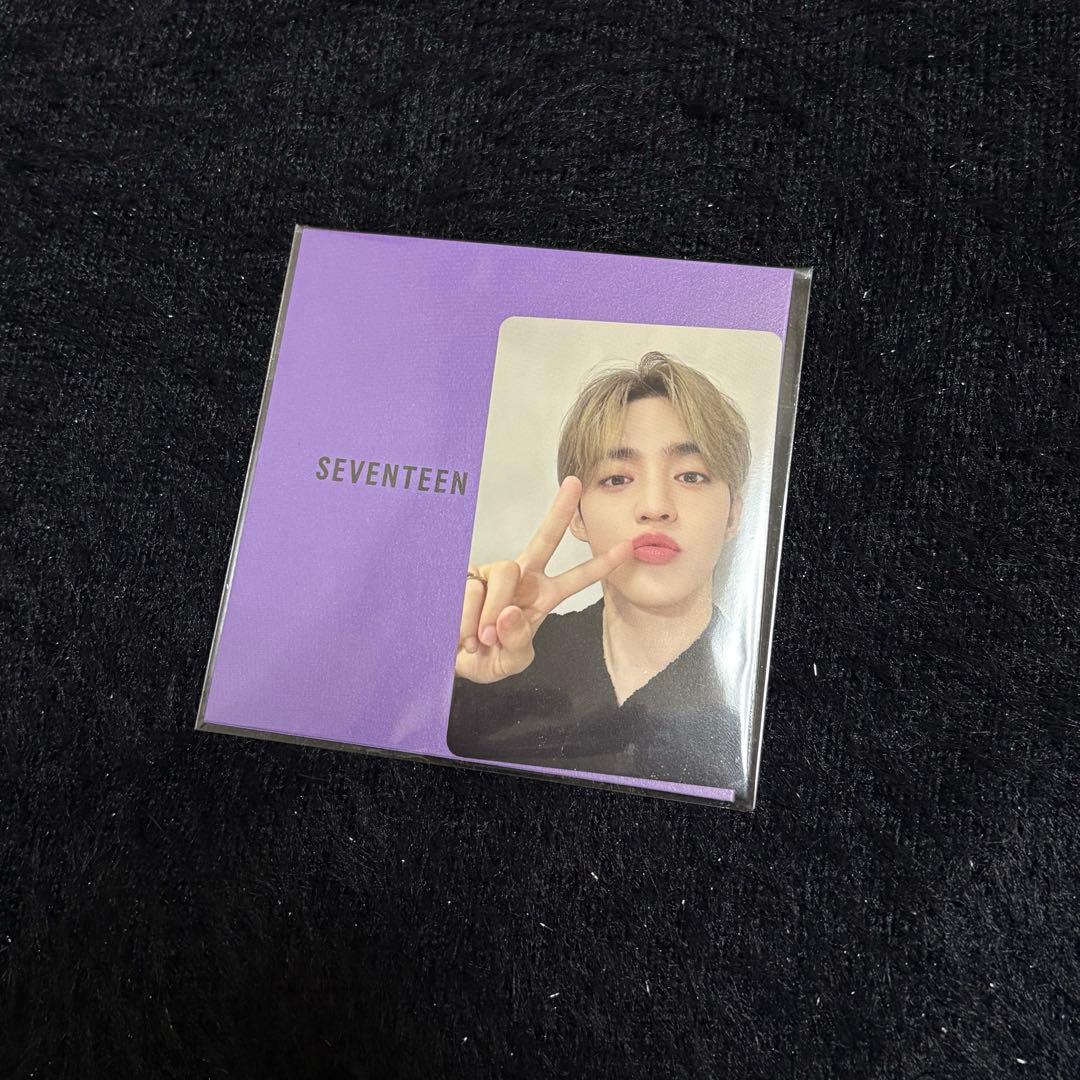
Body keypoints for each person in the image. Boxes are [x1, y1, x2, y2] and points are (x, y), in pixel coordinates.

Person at [446, 351, 752, 793]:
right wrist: (449, 668)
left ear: (733, 513)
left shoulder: (755, 686)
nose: (655, 507)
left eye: (690, 476)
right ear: (578, 516)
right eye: (616, 479)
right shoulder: (505, 657)